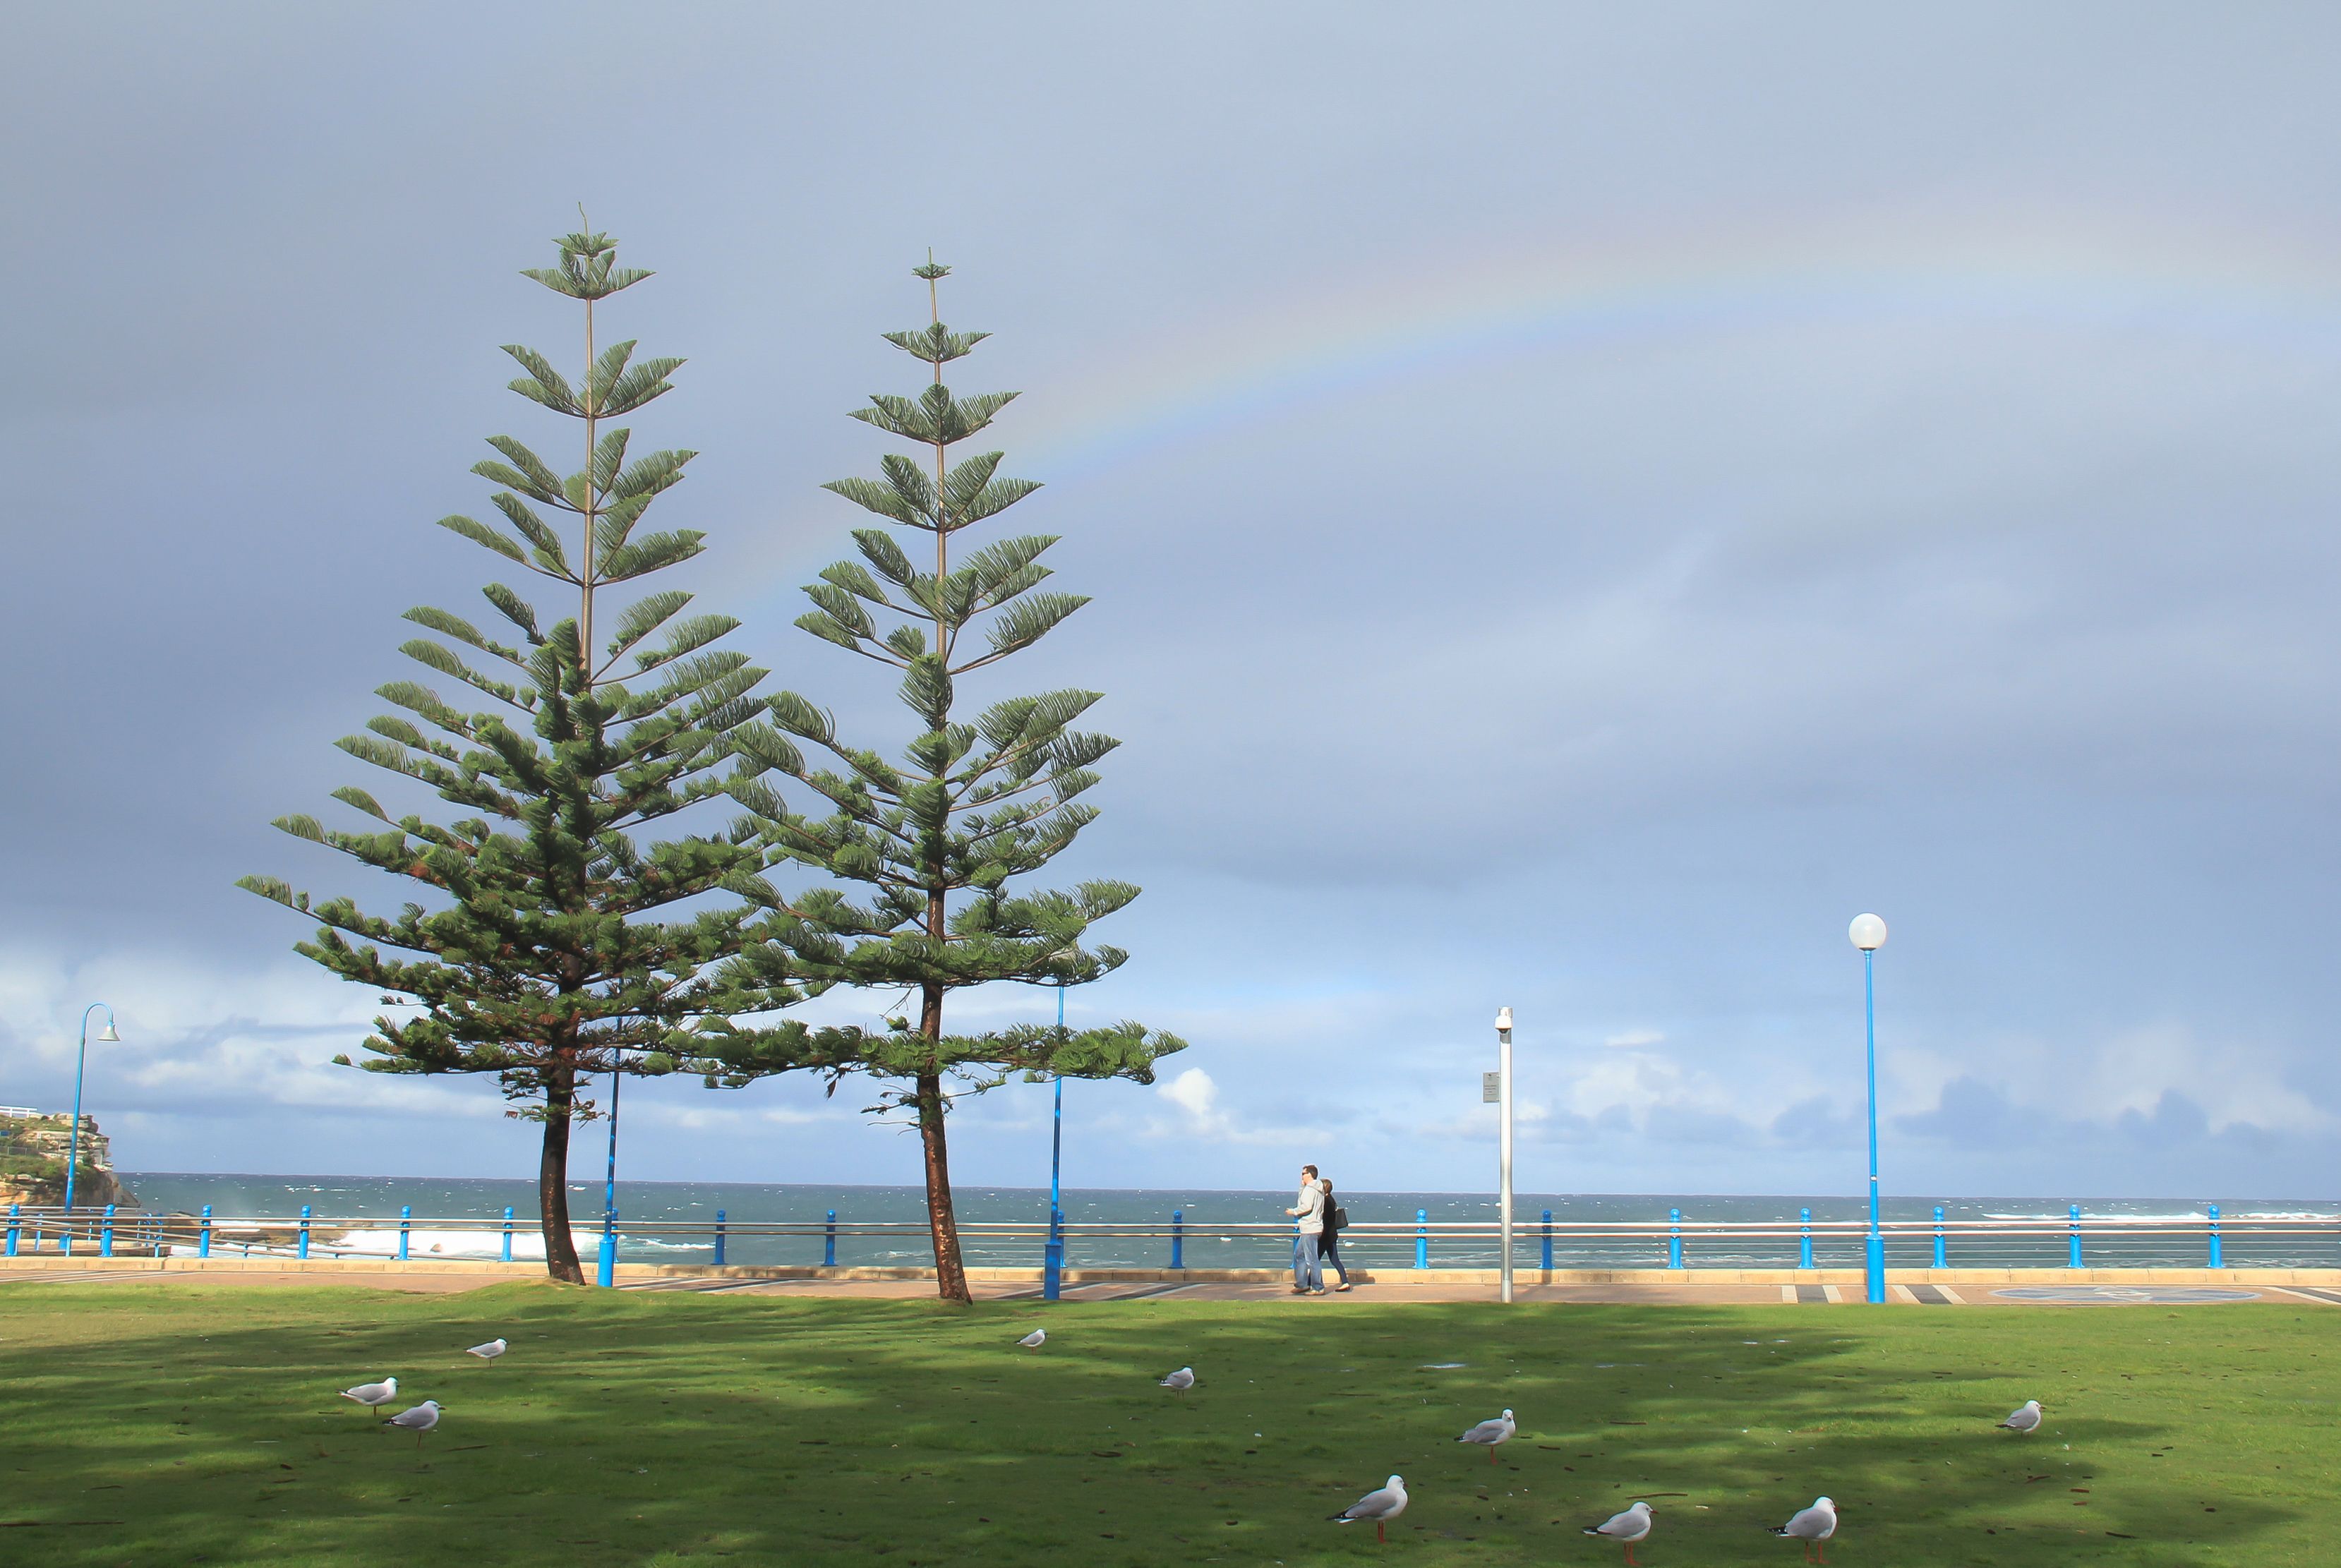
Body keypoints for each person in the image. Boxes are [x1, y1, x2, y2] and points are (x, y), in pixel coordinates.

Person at [1285, 1163, 1325, 1294]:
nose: (1301, 1176)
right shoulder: (1317, 1188)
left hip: (1310, 1228)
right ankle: (1302, 1284)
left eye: (1303, 1174)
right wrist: (1302, 1186)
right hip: (1312, 1227)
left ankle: (1318, 1287)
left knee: (1312, 1259)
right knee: (1299, 1255)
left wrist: (1294, 1212)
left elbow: (1306, 1206)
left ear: (1309, 1175)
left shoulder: (1310, 1189)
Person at [1317, 1177, 1353, 1291]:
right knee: (1334, 1260)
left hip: (1325, 1236)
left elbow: (1324, 1219)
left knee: (1315, 1261)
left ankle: (1311, 1282)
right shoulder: (1331, 1200)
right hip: (1332, 1235)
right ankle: (1345, 1282)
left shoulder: (1325, 1201)